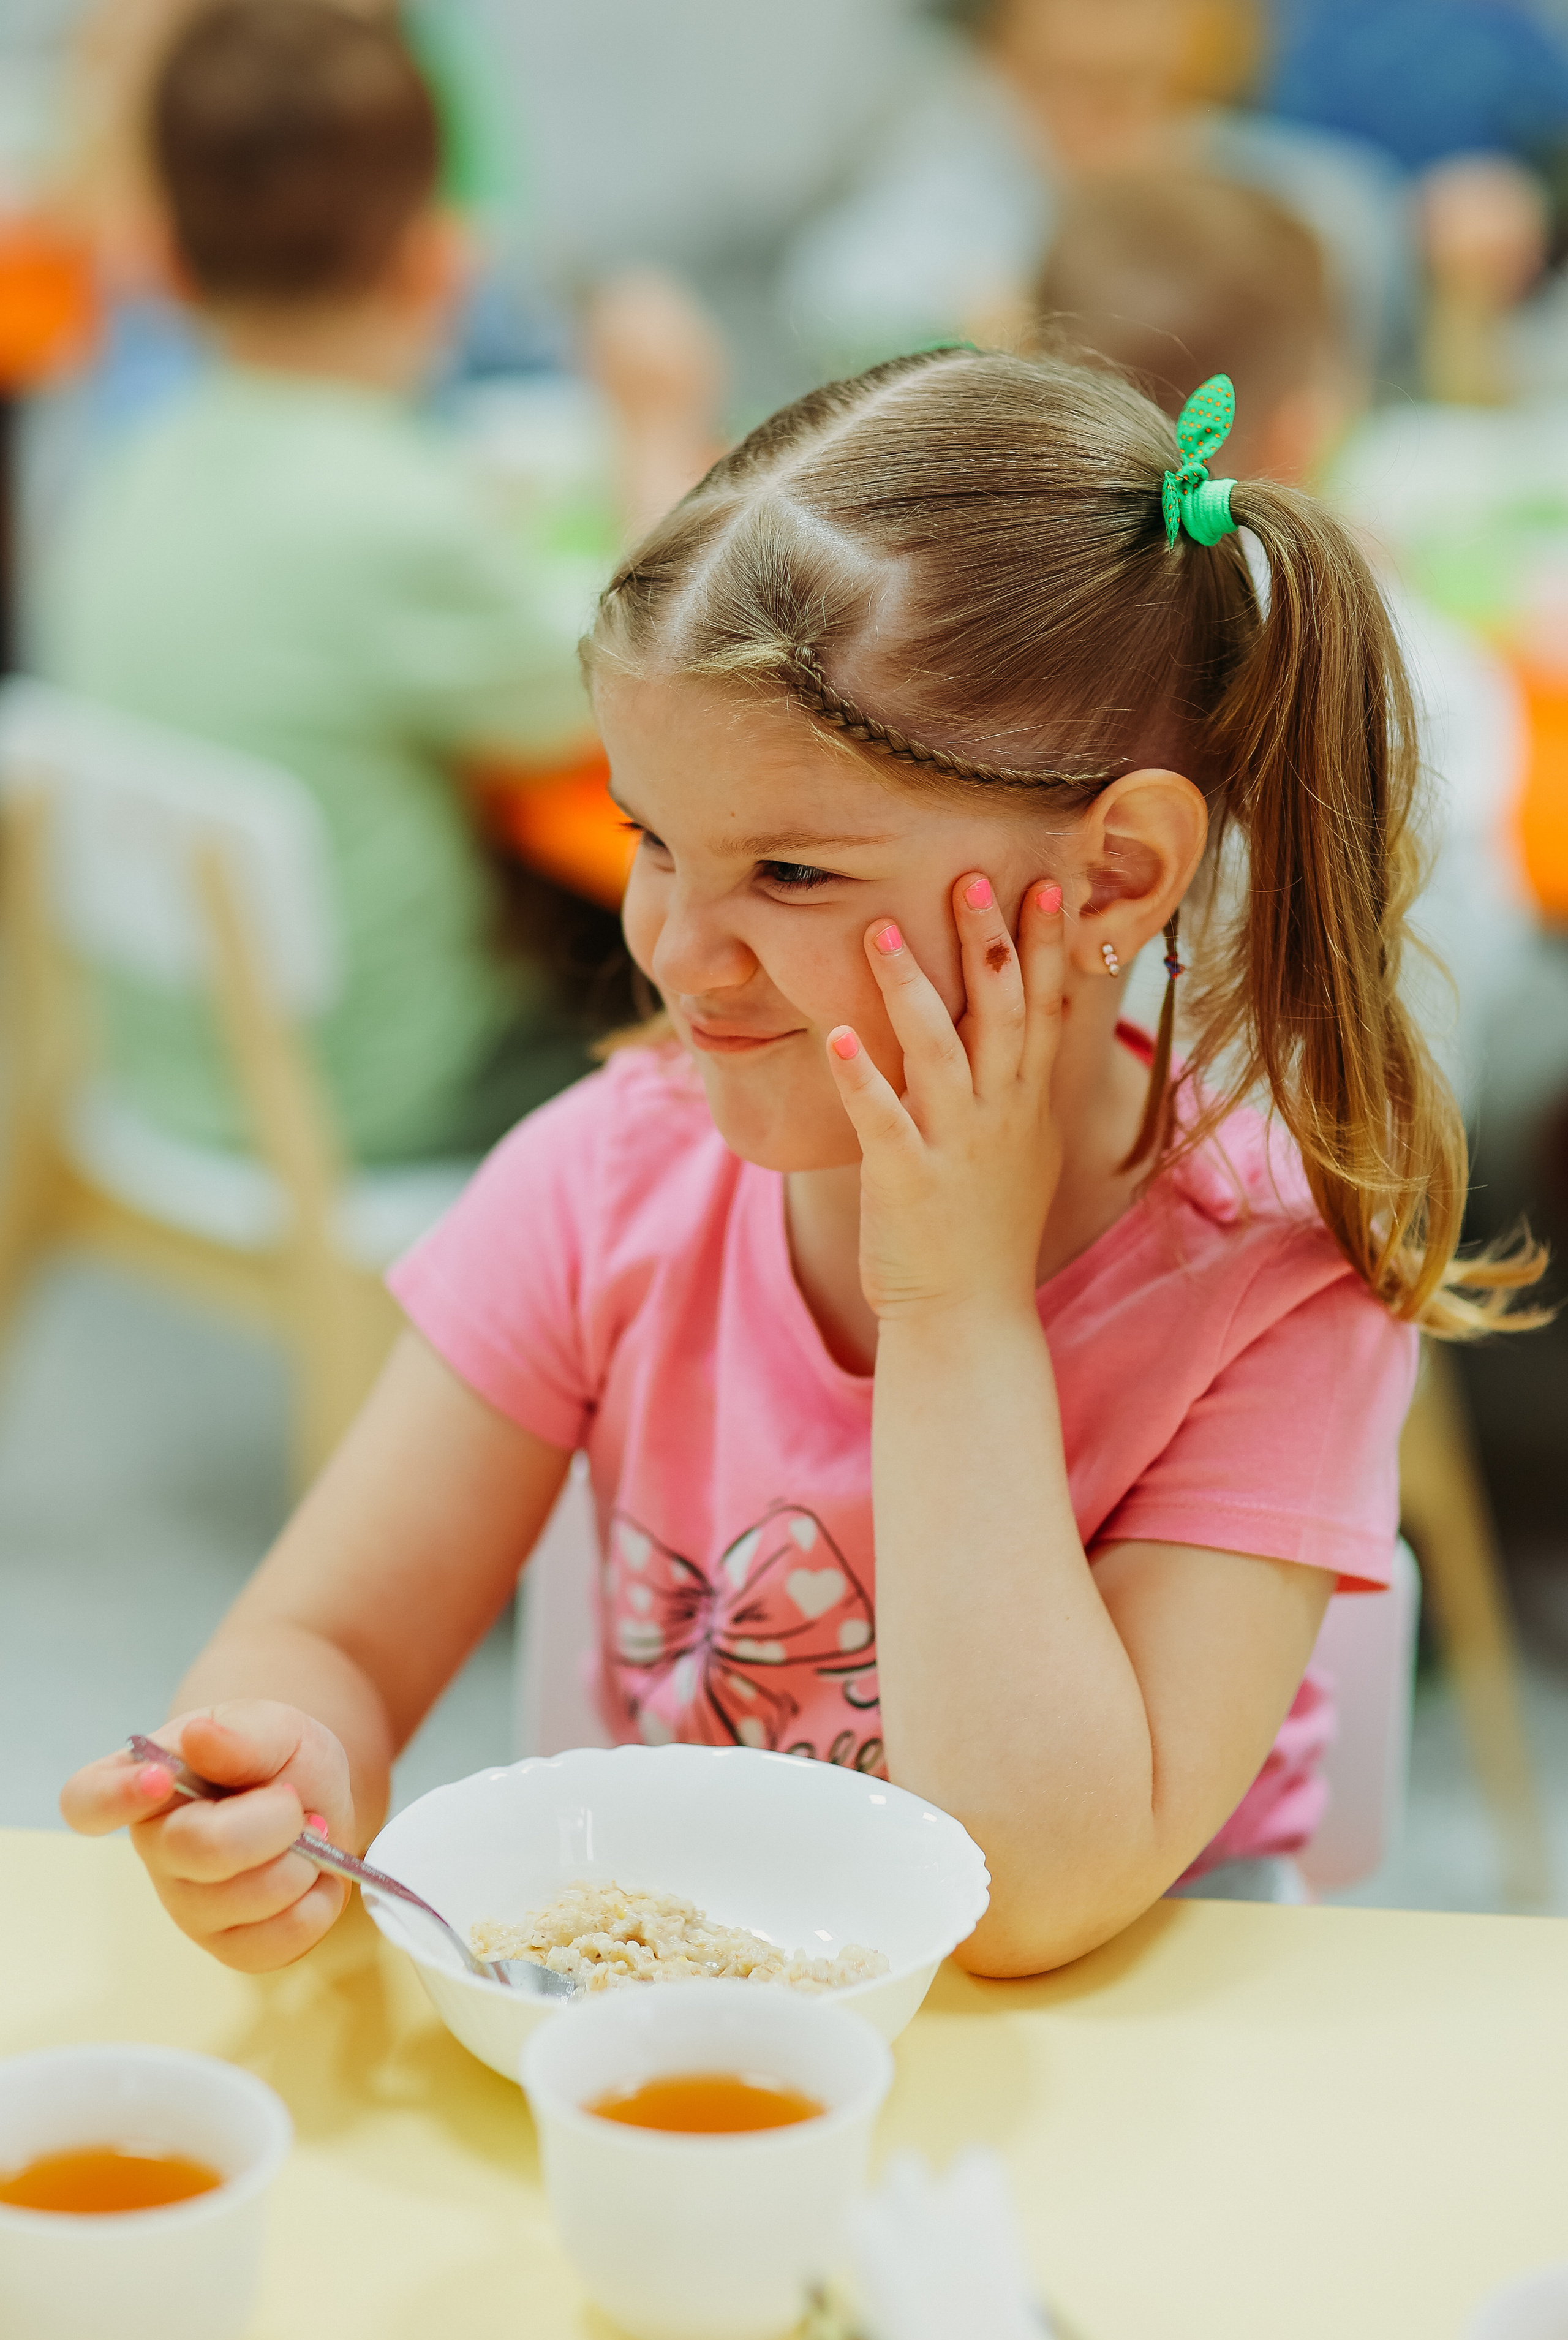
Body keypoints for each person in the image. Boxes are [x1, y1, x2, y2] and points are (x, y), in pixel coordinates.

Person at [61, 347, 1542, 1977]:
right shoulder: (609, 1178)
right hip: (712, 2046)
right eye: (651, 842)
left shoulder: (1273, 1290)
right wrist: (288, 1759)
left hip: (1120, 2076)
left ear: (1117, 875)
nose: (683, 953)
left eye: (789, 870)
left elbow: (1032, 1897)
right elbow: (329, 1634)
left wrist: (955, 1300)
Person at [40, 0, 600, 1163]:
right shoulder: (392, 515)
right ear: (435, 259)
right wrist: (654, 446)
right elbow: (604, 695)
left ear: (172, 261)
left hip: (164, 1065)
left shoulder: (128, 465)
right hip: (368, 1097)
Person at [1030, 170, 1541, 1109]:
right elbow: (1492, 946)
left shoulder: (987, 629)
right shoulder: (1429, 671)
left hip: (1061, 1172)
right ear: (1305, 432)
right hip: (1356, 1179)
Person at [777, 0, 1412, 388]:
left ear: (1181, 61)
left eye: (1124, 84)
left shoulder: (1280, 191)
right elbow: (832, 300)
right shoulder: (950, 200)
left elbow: (1355, 238)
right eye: (1060, 82)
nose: (1091, 120)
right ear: (999, 66)